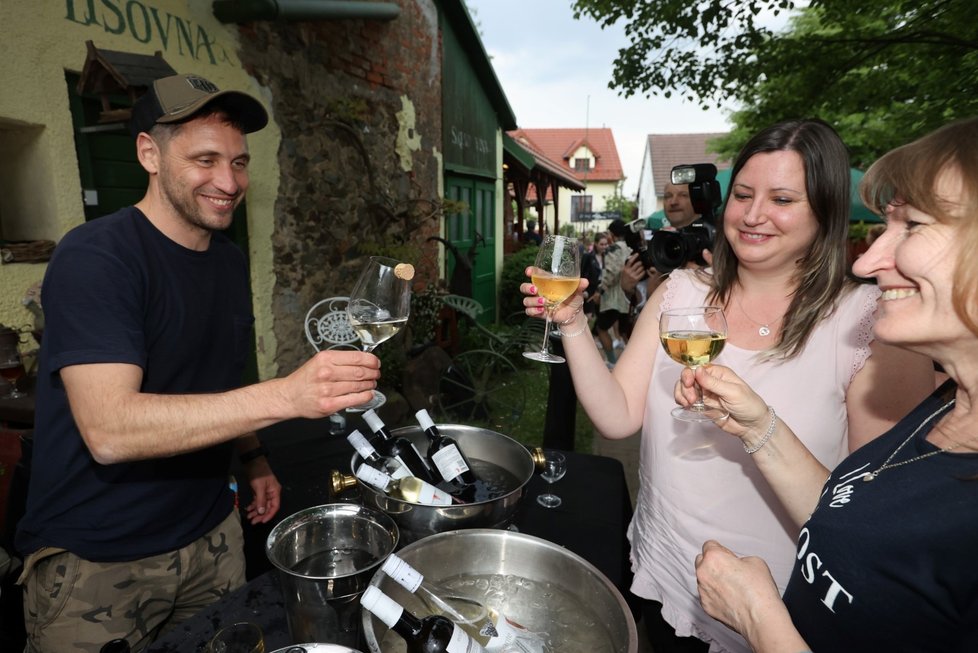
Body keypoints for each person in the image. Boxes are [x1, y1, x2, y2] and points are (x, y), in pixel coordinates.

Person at [522, 119, 936, 652]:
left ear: (826, 212)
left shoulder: (872, 324)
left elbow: (872, 516)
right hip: (667, 568)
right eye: (743, 194)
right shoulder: (681, 291)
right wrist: (575, 322)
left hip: (780, 611)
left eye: (783, 198)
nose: (754, 214)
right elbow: (616, 415)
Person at [14, 73, 381, 652]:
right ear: (148, 154)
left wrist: (254, 456)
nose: (228, 181)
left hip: (213, 536)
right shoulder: (96, 257)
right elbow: (109, 430)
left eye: (239, 162)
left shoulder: (228, 262)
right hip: (99, 561)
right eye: (205, 159)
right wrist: (287, 396)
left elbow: (218, 376)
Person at [690, 117, 978, 652]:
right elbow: (853, 521)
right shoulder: (948, 405)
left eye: (912, 226)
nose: (867, 261)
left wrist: (758, 619)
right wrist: (759, 426)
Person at [593, 219, 632, 366]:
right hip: (627, 297)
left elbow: (611, 273)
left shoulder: (613, 249)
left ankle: (612, 361)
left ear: (612, 234)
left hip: (613, 298)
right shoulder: (629, 248)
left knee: (601, 329)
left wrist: (599, 291)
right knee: (624, 332)